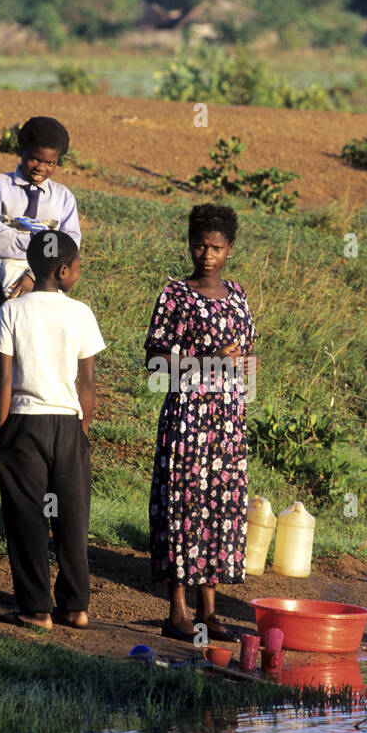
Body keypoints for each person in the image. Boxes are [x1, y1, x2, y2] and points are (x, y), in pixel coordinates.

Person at [144, 204, 258, 643]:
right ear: (189, 245)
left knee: (219, 507)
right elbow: (156, 366)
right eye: (199, 246)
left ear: (230, 249)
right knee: (183, 506)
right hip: (187, 418)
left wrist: (244, 379)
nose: (206, 254)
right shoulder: (175, 295)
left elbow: (247, 359)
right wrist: (209, 361)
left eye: (215, 247)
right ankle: (177, 612)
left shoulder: (239, 295)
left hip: (227, 422)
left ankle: (209, 612)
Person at [0, 230, 104, 630]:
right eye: (77, 267)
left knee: (28, 517)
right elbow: (86, 385)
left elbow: (2, 380)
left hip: (24, 421)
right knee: (71, 517)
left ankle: (37, 608)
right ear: (64, 270)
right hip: (68, 424)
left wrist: (3, 433)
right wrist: (81, 432)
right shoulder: (81, 313)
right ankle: (75, 607)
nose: (78, 273)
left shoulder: (11, 311)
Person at [0, 116, 81, 480]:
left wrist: (34, 271)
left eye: (50, 163)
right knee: (1, 374)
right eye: (36, 160)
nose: (42, 168)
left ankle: (29, 455)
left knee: (35, 371)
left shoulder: (63, 198)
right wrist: (41, 245)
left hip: (42, 292)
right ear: (21, 153)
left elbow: (70, 247)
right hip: (3, 293)